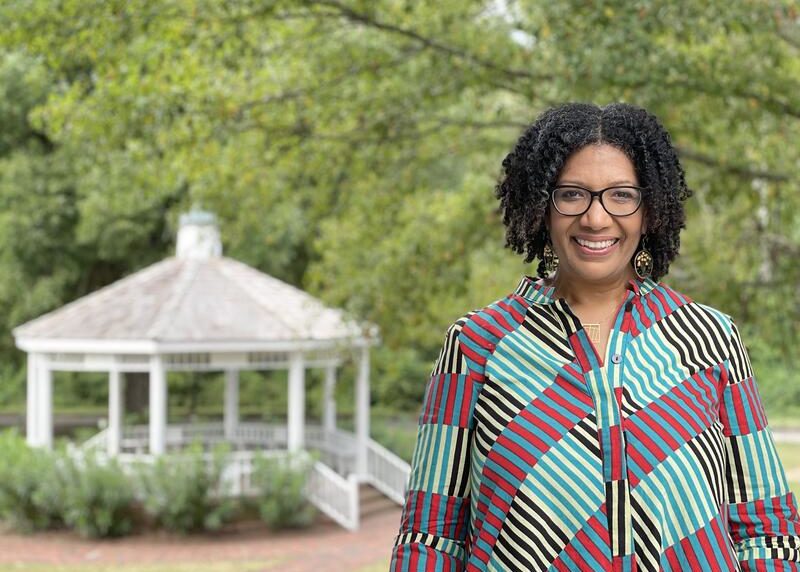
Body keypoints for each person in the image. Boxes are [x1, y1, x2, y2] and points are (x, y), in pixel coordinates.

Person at [389, 102, 800, 571]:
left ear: (650, 211)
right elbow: (431, 535)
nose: (596, 219)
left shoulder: (710, 338)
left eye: (621, 195)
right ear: (542, 207)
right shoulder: (476, 346)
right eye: (572, 195)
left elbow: (768, 527)